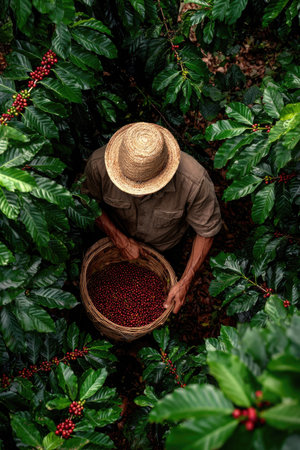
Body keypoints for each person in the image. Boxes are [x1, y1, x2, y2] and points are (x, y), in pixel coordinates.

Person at [81, 122, 222, 314]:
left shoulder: (193, 181)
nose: (137, 194)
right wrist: (118, 239)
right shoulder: (99, 165)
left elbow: (206, 231)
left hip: (164, 247)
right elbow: (87, 201)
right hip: (113, 238)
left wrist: (185, 281)